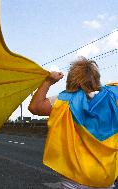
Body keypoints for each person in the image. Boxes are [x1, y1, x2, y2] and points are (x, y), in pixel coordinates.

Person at [28, 57, 117, 189]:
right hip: (105, 176)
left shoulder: (63, 101)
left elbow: (35, 107)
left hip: (73, 178)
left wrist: (49, 81)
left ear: (71, 79)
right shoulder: (112, 97)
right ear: (96, 77)